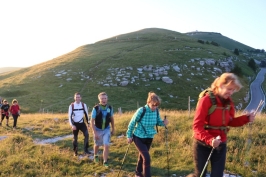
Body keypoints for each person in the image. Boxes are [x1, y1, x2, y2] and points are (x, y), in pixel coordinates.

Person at [188, 73, 255, 177]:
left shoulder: (229, 102)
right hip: (202, 144)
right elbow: (197, 126)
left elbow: (230, 122)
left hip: (220, 144)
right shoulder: (206, 100)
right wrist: (210, 140)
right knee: (200, 174)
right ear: (220, 85)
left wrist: (246, 119)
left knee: (218, 175)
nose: (231, 92)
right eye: (229, 89)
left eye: (233, 90)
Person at [126, 91, 169, 177]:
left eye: (157, 105)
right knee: (147, 158)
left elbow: (158, 122)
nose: (155, 107)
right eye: (153, 105)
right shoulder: (141, 110)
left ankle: (138, 173)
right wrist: (129, 136)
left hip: (149, 137)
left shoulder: (156, 111)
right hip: (138, 137)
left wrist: (163, 123)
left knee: (143, 157)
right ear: (148, 102)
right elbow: (132, 123)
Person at [91, 92, 115, 167]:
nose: (103, 100)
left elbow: (111, 119)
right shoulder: (95, 108)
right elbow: (92, 121)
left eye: (105, 98)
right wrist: (94, 132)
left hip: (106, 129)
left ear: (107, 99)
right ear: (99, 99)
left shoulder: (110, 108)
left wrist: (113, 128)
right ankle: (95, 155)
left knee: (106, 145)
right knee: (97, 144)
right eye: (102, 98)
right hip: (97, 129)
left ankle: (105, 161)